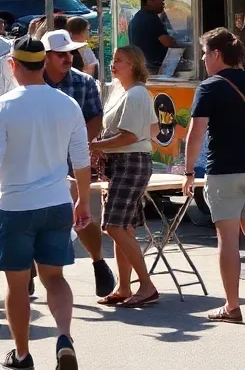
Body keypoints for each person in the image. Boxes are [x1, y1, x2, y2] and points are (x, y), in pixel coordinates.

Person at [0, 35, 92, 370]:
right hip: (56, 202)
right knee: (55, 277)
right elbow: (81, 158)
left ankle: (22, 354)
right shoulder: (67, 104)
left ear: (13, 65)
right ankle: (64, 336)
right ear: (43, 63)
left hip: (15, 205)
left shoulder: (5, 106)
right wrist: (82, 200)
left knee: (17, 284)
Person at [183, 28, 245, 323]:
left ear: (216, 55)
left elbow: (196, 132)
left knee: (227, 238)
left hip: (225, 169)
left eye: (204, 53)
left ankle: (232, 306)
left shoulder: (209, 87)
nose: (202, 59)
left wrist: (189, 171)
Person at [40, 30, 116, 299]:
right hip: (41, 159)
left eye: (70, 53)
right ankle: (26, 275)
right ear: (46, 57)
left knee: (80, 214)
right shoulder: (33, 82)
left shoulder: (84, 82)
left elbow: (97, 117)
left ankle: (98, 262)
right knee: (33, 212)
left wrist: (78, 141)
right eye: (61, 54)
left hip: (74, 159)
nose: (68, 58)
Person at [90, 46, 158, 307]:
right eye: (114, 60)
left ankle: (146, 285)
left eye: (120, 61)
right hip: (123, 161)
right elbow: (151, 128)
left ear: (134, 66)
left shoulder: (137, 93)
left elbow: (131, 135)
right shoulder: (125, 92)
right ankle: (125, 286)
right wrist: (106, 145)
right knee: (123, 227)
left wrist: (97, 146)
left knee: (114, 226)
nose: (113, 64)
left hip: (130, 161)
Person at [128, 0, 181, 73]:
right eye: (160, 0)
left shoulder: (136, 18)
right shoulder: (151, 18)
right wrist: (176, 44)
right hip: (155, 67)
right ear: (149, 1)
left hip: (143, 66)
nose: (163, 3)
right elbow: (166, 42)